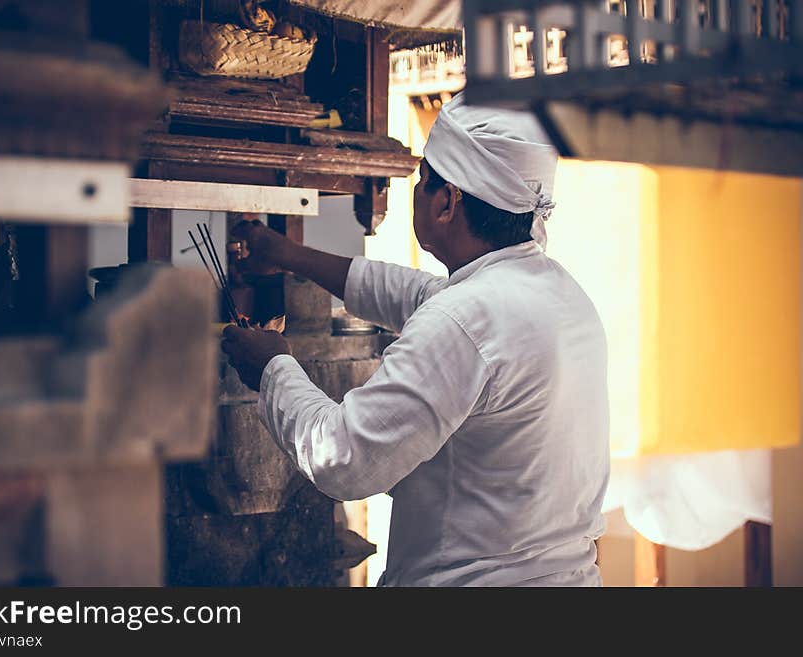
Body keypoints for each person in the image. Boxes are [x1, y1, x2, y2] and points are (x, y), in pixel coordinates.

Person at [221, 93, 610, 586]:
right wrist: (288, 255)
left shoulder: (465, 318)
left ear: (448, 202)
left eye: (423, 182)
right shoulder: (555, 293)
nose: (417, 192)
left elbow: (343, 458)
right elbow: (416, 295)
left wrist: (273, 369)